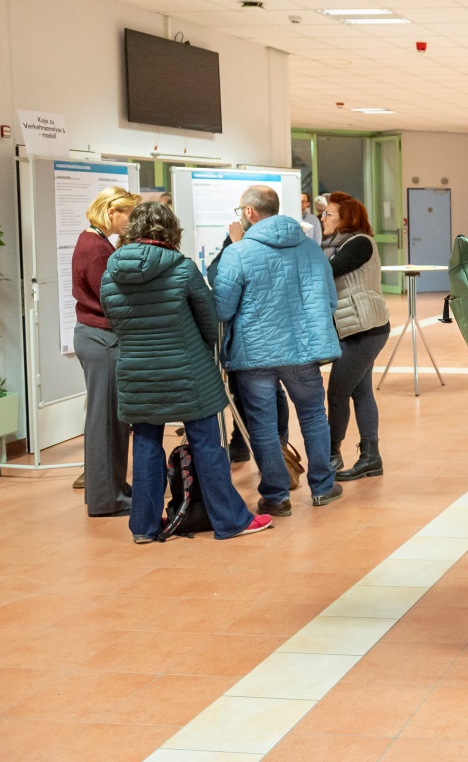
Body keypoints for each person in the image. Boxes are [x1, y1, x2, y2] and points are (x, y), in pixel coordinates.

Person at [99, 202, 272, 543]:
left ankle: (144, 528)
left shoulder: (110, 272)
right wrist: (207, 349)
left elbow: (114, 321)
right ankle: (229, 521)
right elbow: (209, 320)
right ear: (170, 231)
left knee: (147, 444)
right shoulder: (182, 268)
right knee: (207, 443)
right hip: (188, 369)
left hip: (137, 371)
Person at [212, 185, 344, 515]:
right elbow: (330, 299)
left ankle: (276, 496)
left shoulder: (238, 253)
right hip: (303, 351)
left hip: (255, 353)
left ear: (248, 212)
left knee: (263, 425)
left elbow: (223, 309)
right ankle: (323, 486)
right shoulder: (312, 249)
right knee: (314, 415)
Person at [71, 186, 141, 515]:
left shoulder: (94, 242)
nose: (131, 220)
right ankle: (106, 499)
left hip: (97, 337)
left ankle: (113, 489)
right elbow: (110, 300)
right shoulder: (97, 248)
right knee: (106, 423)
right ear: (112, 211)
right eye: (128, 213)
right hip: (101, 339)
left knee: (111, 421)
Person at [320, 191, 390, 480]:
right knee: (360, 392)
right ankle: (371, 457)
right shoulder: (335, 244)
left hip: (365, 328)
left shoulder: (359, 243)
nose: (323, 218)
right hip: (356, 327)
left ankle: (332, 456)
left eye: (328, 214)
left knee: (337, 393)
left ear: (345, 218)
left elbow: (327, 271)